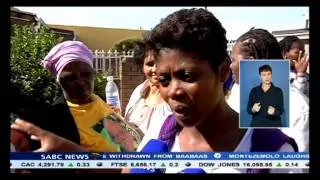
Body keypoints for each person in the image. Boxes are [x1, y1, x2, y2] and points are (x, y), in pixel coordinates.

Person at [11, 9, 301, 174]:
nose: (173, 91)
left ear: (223, 71)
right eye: (163, 80)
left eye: (186, 76)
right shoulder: (163, 133)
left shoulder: (271, 153)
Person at [11, 41, 136, 153]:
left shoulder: (98, 102)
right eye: (71, 78)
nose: (81, 82)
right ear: (58, 81)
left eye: (86, 74)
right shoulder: (54, 120)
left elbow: (131, 140)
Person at [229, 29, 309, 153]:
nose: (230, 66)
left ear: (250, 62)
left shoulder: (297, 108)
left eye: (233, 60)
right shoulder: (237, 92)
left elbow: (297, 164)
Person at [124, 39, 172, 137]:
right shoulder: (139, 91)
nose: (155, 69)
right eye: (149, 64)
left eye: (160, 63)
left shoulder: (174, 97)